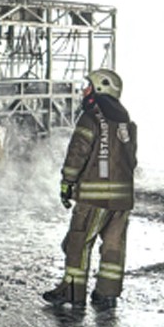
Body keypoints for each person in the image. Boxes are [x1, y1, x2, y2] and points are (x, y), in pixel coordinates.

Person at [42, 69, 137, 310]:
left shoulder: (91, 118)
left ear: (100, 90)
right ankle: (107, 294)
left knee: (77, 243)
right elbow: (131, 161)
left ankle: (72, 292)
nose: (84, 91)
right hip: (123, 199)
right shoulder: (126, 123)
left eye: (89, 87)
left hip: (95, 198)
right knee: (114, 247)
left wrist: (67, 183)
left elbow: (77, 154)